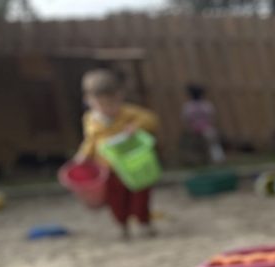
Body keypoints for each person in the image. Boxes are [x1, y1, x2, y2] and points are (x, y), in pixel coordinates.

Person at [74, 69, 159, 240]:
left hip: (133, 164)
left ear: (120, 97)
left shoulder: (129, 113)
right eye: (101, 104)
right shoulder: (91, 120)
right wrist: (83, 155)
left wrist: (135, 126)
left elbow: (151, 119)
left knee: (140, 195)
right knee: (116, 199)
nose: (108, 109)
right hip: (110, 167)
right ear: (89, 100)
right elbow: (91, 141)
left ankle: (143, 222)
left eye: (112, 104)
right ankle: (122, 225)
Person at [180, 84, 225, 164]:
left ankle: (217, 159)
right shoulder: (202, 105)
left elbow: (186, 120)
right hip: (197, 130)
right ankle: (198, 160)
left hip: (203, 129)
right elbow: (212, 118)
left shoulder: (192, 106)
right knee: (210, 140)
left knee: (212, 139)